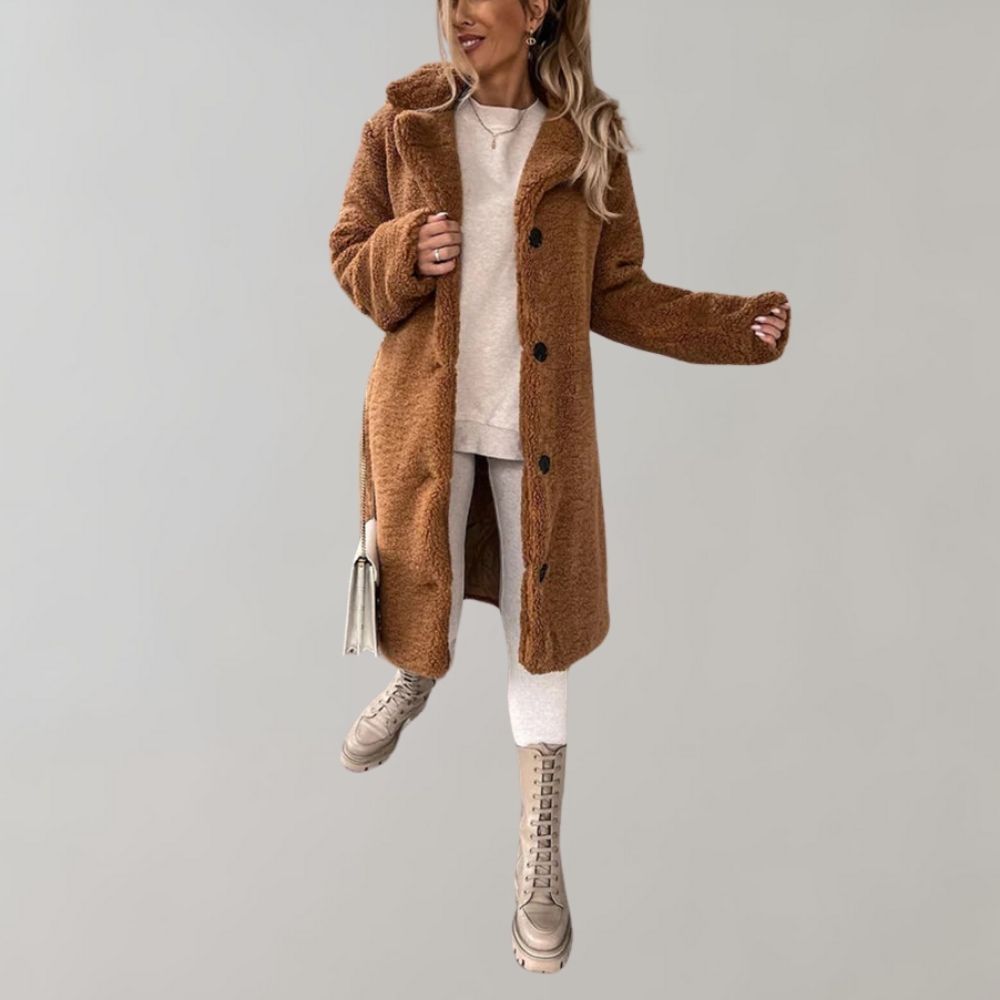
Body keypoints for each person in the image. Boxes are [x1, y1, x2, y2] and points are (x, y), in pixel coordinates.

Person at [329, 0, 790, 974]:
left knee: (539, 633)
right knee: (427, 580)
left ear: (537, 10)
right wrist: (404, 251)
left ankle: (538, 853)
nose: (459, 12)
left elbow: (617, 292)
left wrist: (731, 327)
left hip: (538, 434)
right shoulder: (400, 125)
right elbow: (348, 254)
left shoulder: (588, 144)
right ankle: (413, 677)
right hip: (423, 422)